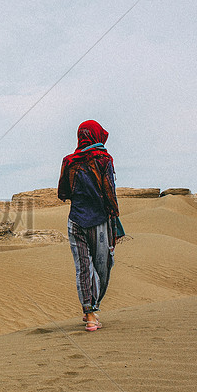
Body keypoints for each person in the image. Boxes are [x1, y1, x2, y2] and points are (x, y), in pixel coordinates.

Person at [58, 120, 120, 332]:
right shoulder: (104, 160)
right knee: (102, 266)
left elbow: (62, 193)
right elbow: (110, 192)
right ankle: (92, 314)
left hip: (75, 220)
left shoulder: (69, 162)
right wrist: (115, 221)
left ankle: (88, 310)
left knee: (83, 268)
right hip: (99, 222)